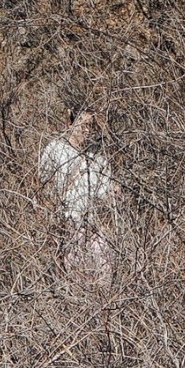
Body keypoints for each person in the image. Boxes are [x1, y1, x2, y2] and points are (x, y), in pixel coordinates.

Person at [37, 110, 118, 285]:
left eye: (90, 126)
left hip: (93, 224)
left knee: (104, 271)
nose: (87, 130)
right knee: (73, 276)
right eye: (83, 125)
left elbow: (105, 190)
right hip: (66, 223)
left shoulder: (98, 155)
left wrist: (112, 192)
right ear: (70, 123)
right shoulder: (55, 150)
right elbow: (42, 185)